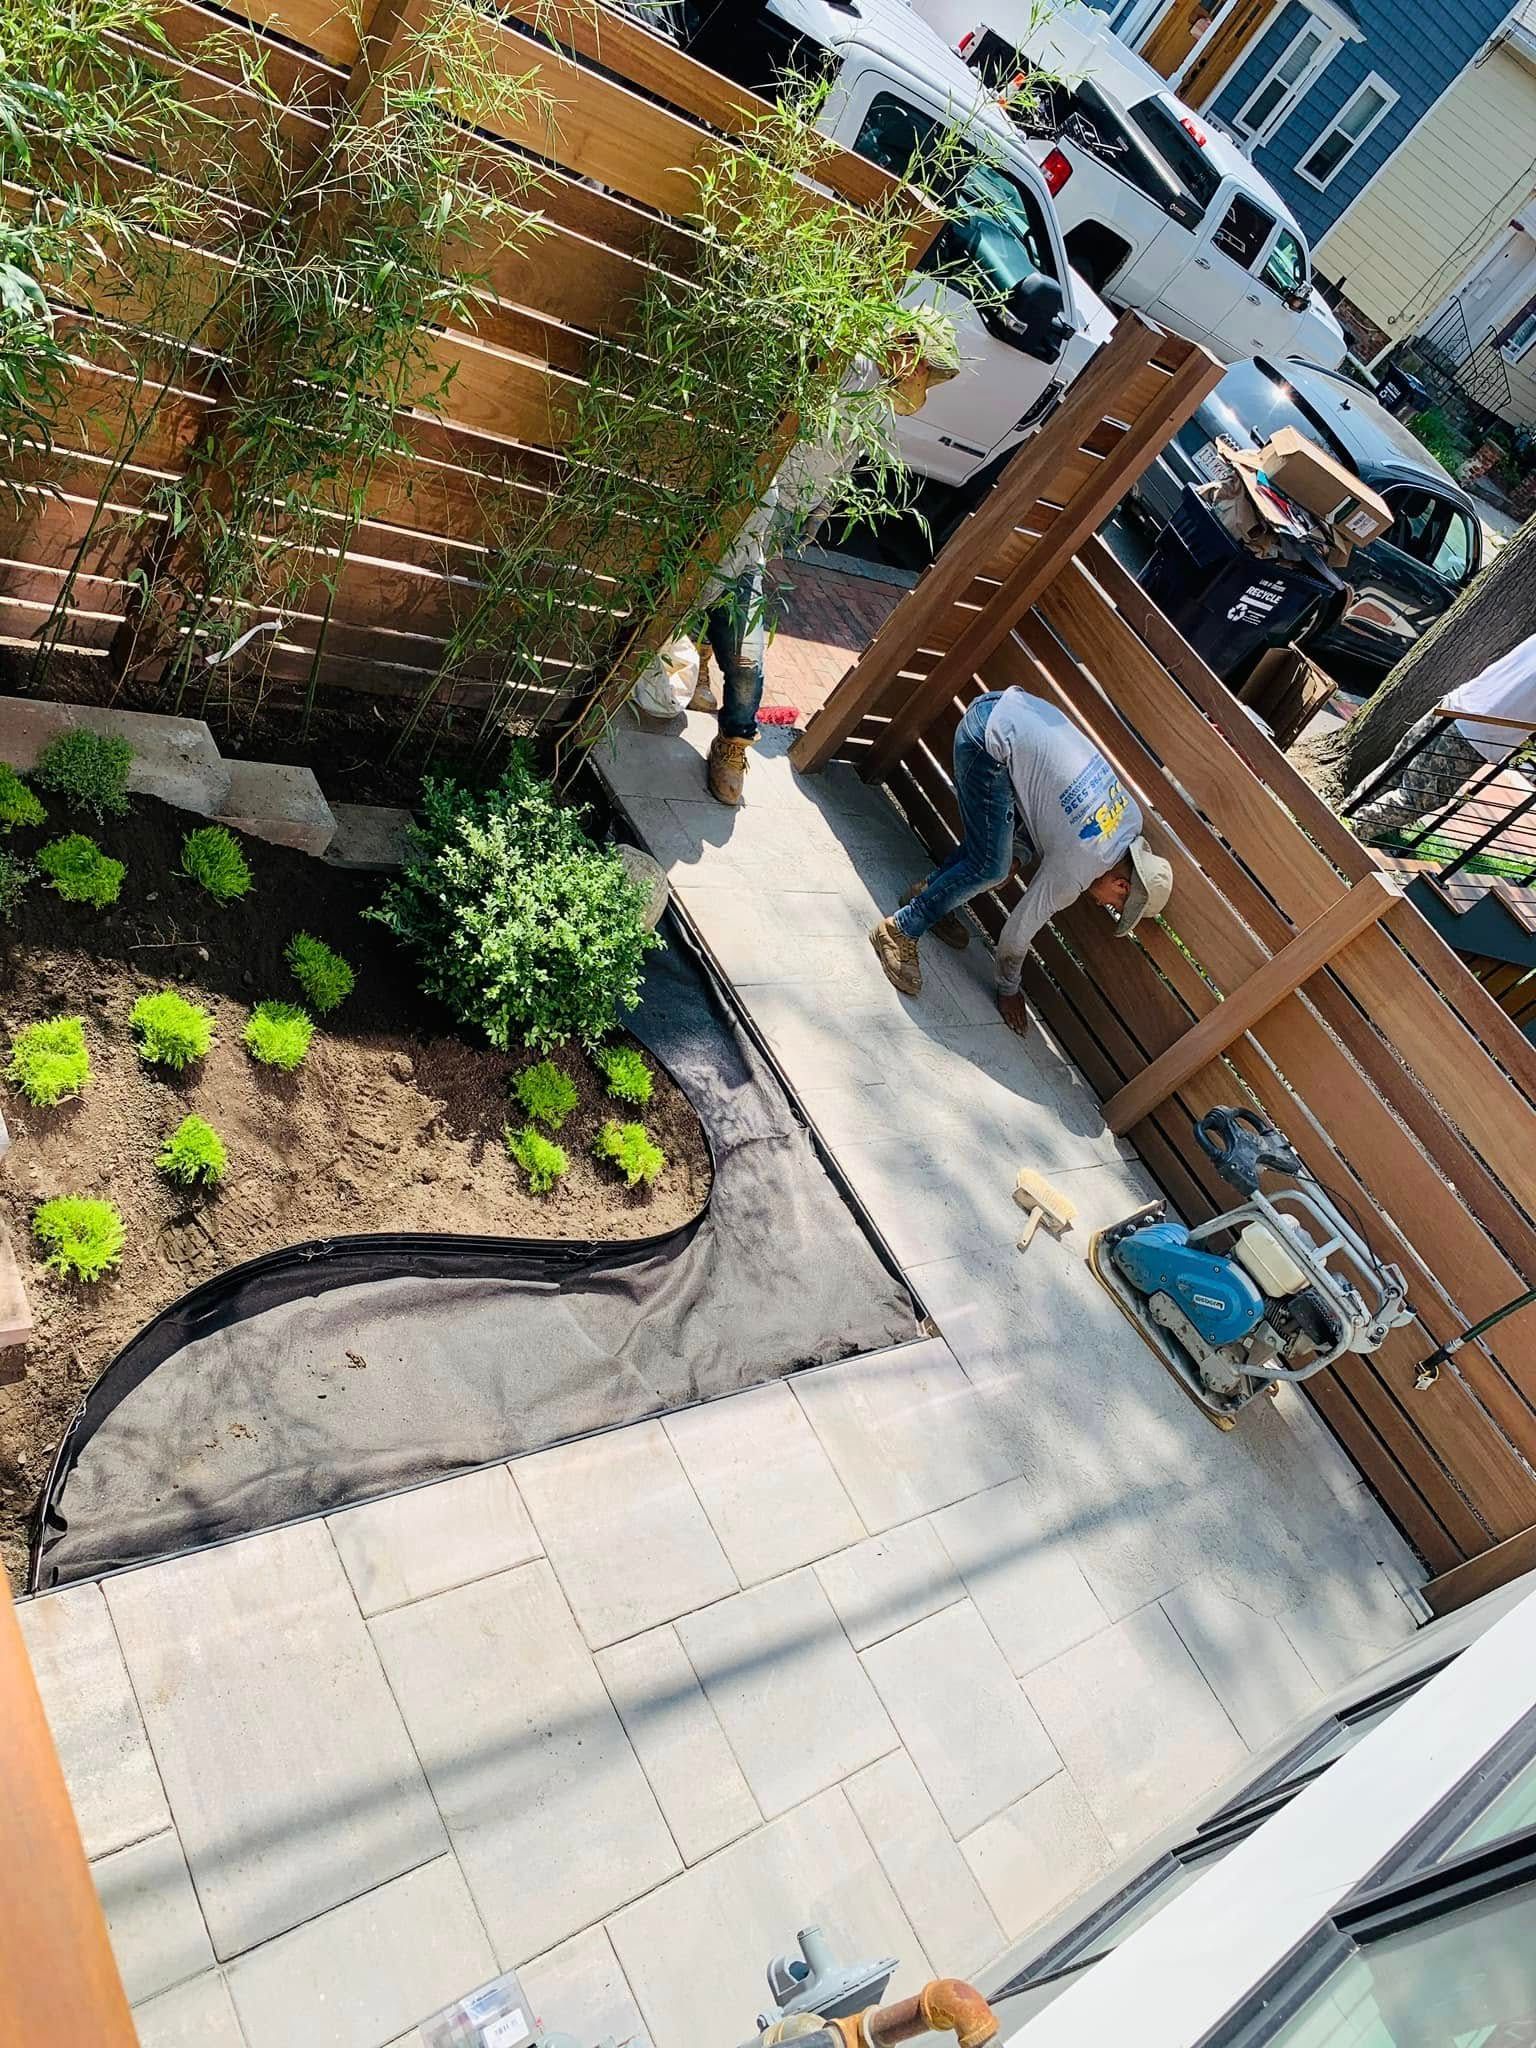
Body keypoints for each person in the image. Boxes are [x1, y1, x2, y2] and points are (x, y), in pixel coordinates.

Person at [695, 329, 959, 807]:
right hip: (757, 497)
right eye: (925, 368)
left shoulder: (878, 400)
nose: (922, 380)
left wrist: (815, 516)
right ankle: (720, 710)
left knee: (728, 594)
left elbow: (842, 463)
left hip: (786, 511)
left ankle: (711, 689)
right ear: (908, 351)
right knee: (725, 604)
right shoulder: (847, 364)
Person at [869, 687, 1174, 1034]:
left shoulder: (1129, 817)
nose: (1104, 905)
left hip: (1004, 709)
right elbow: (1017, 933)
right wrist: (1009, 988)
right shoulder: (1081, 867)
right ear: (1121, 885)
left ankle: (930, 896)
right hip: (988, 743)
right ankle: (900, 929)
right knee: (990, 867)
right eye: (1116, 906)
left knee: (994, 858)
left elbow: (1051, 809)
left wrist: (1019, 853)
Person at [1347, 629, 1536, 843]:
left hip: (1457, 704)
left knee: (1394, 771)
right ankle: (1344, 833)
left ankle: (1340, 815)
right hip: (1480, 733)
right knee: (1418, 799)